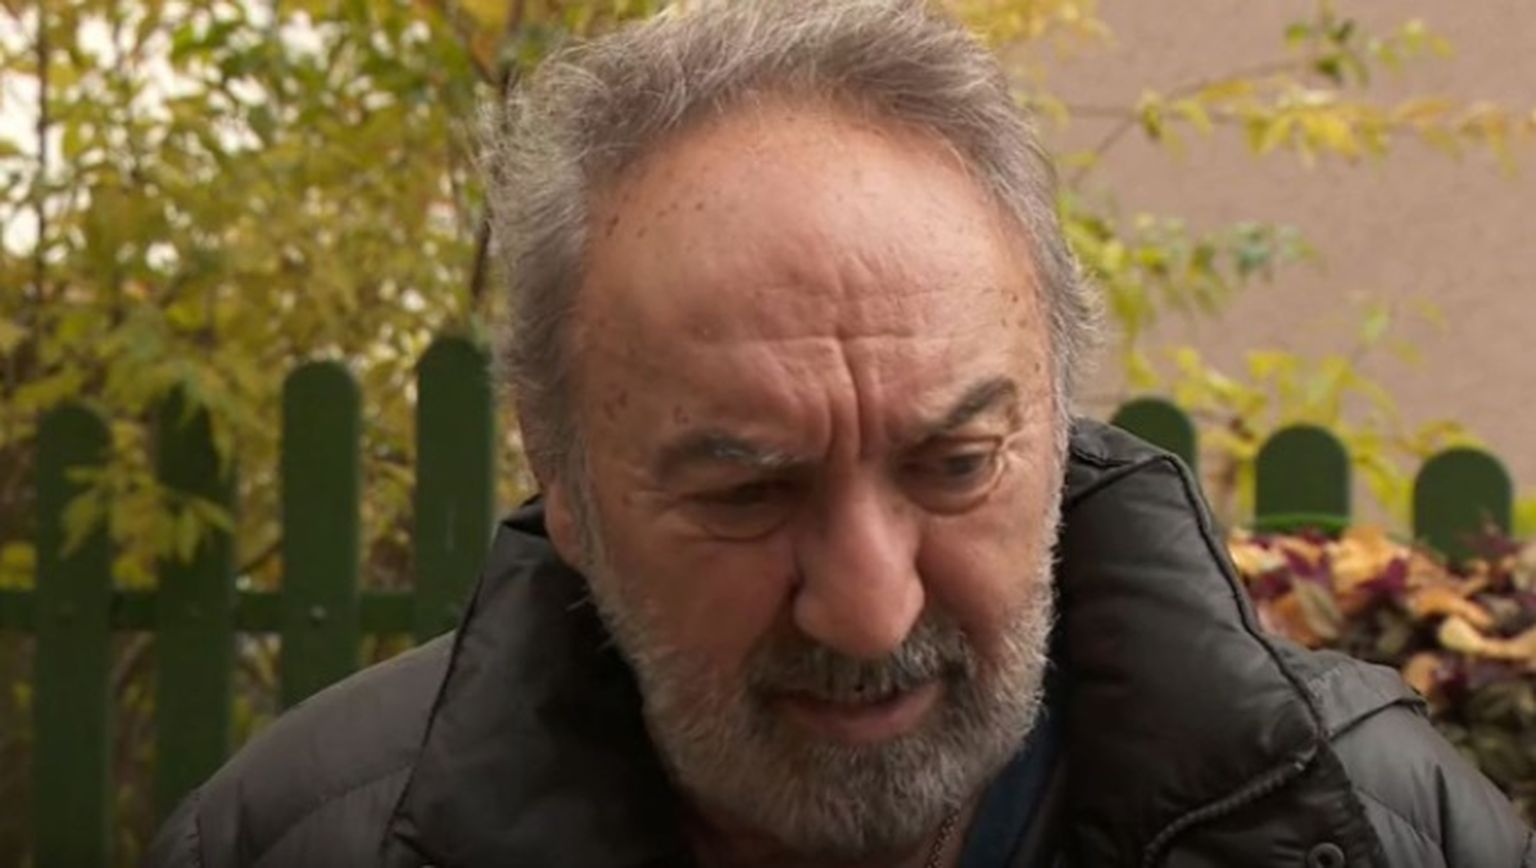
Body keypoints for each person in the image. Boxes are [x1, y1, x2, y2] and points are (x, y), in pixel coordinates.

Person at [146, 2, 1534, 866]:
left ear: (1057, 422)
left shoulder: (1375, 827)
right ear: (564, 478)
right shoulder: (292, 846)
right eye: (747, 492)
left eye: (954, 466)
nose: (871, 613)